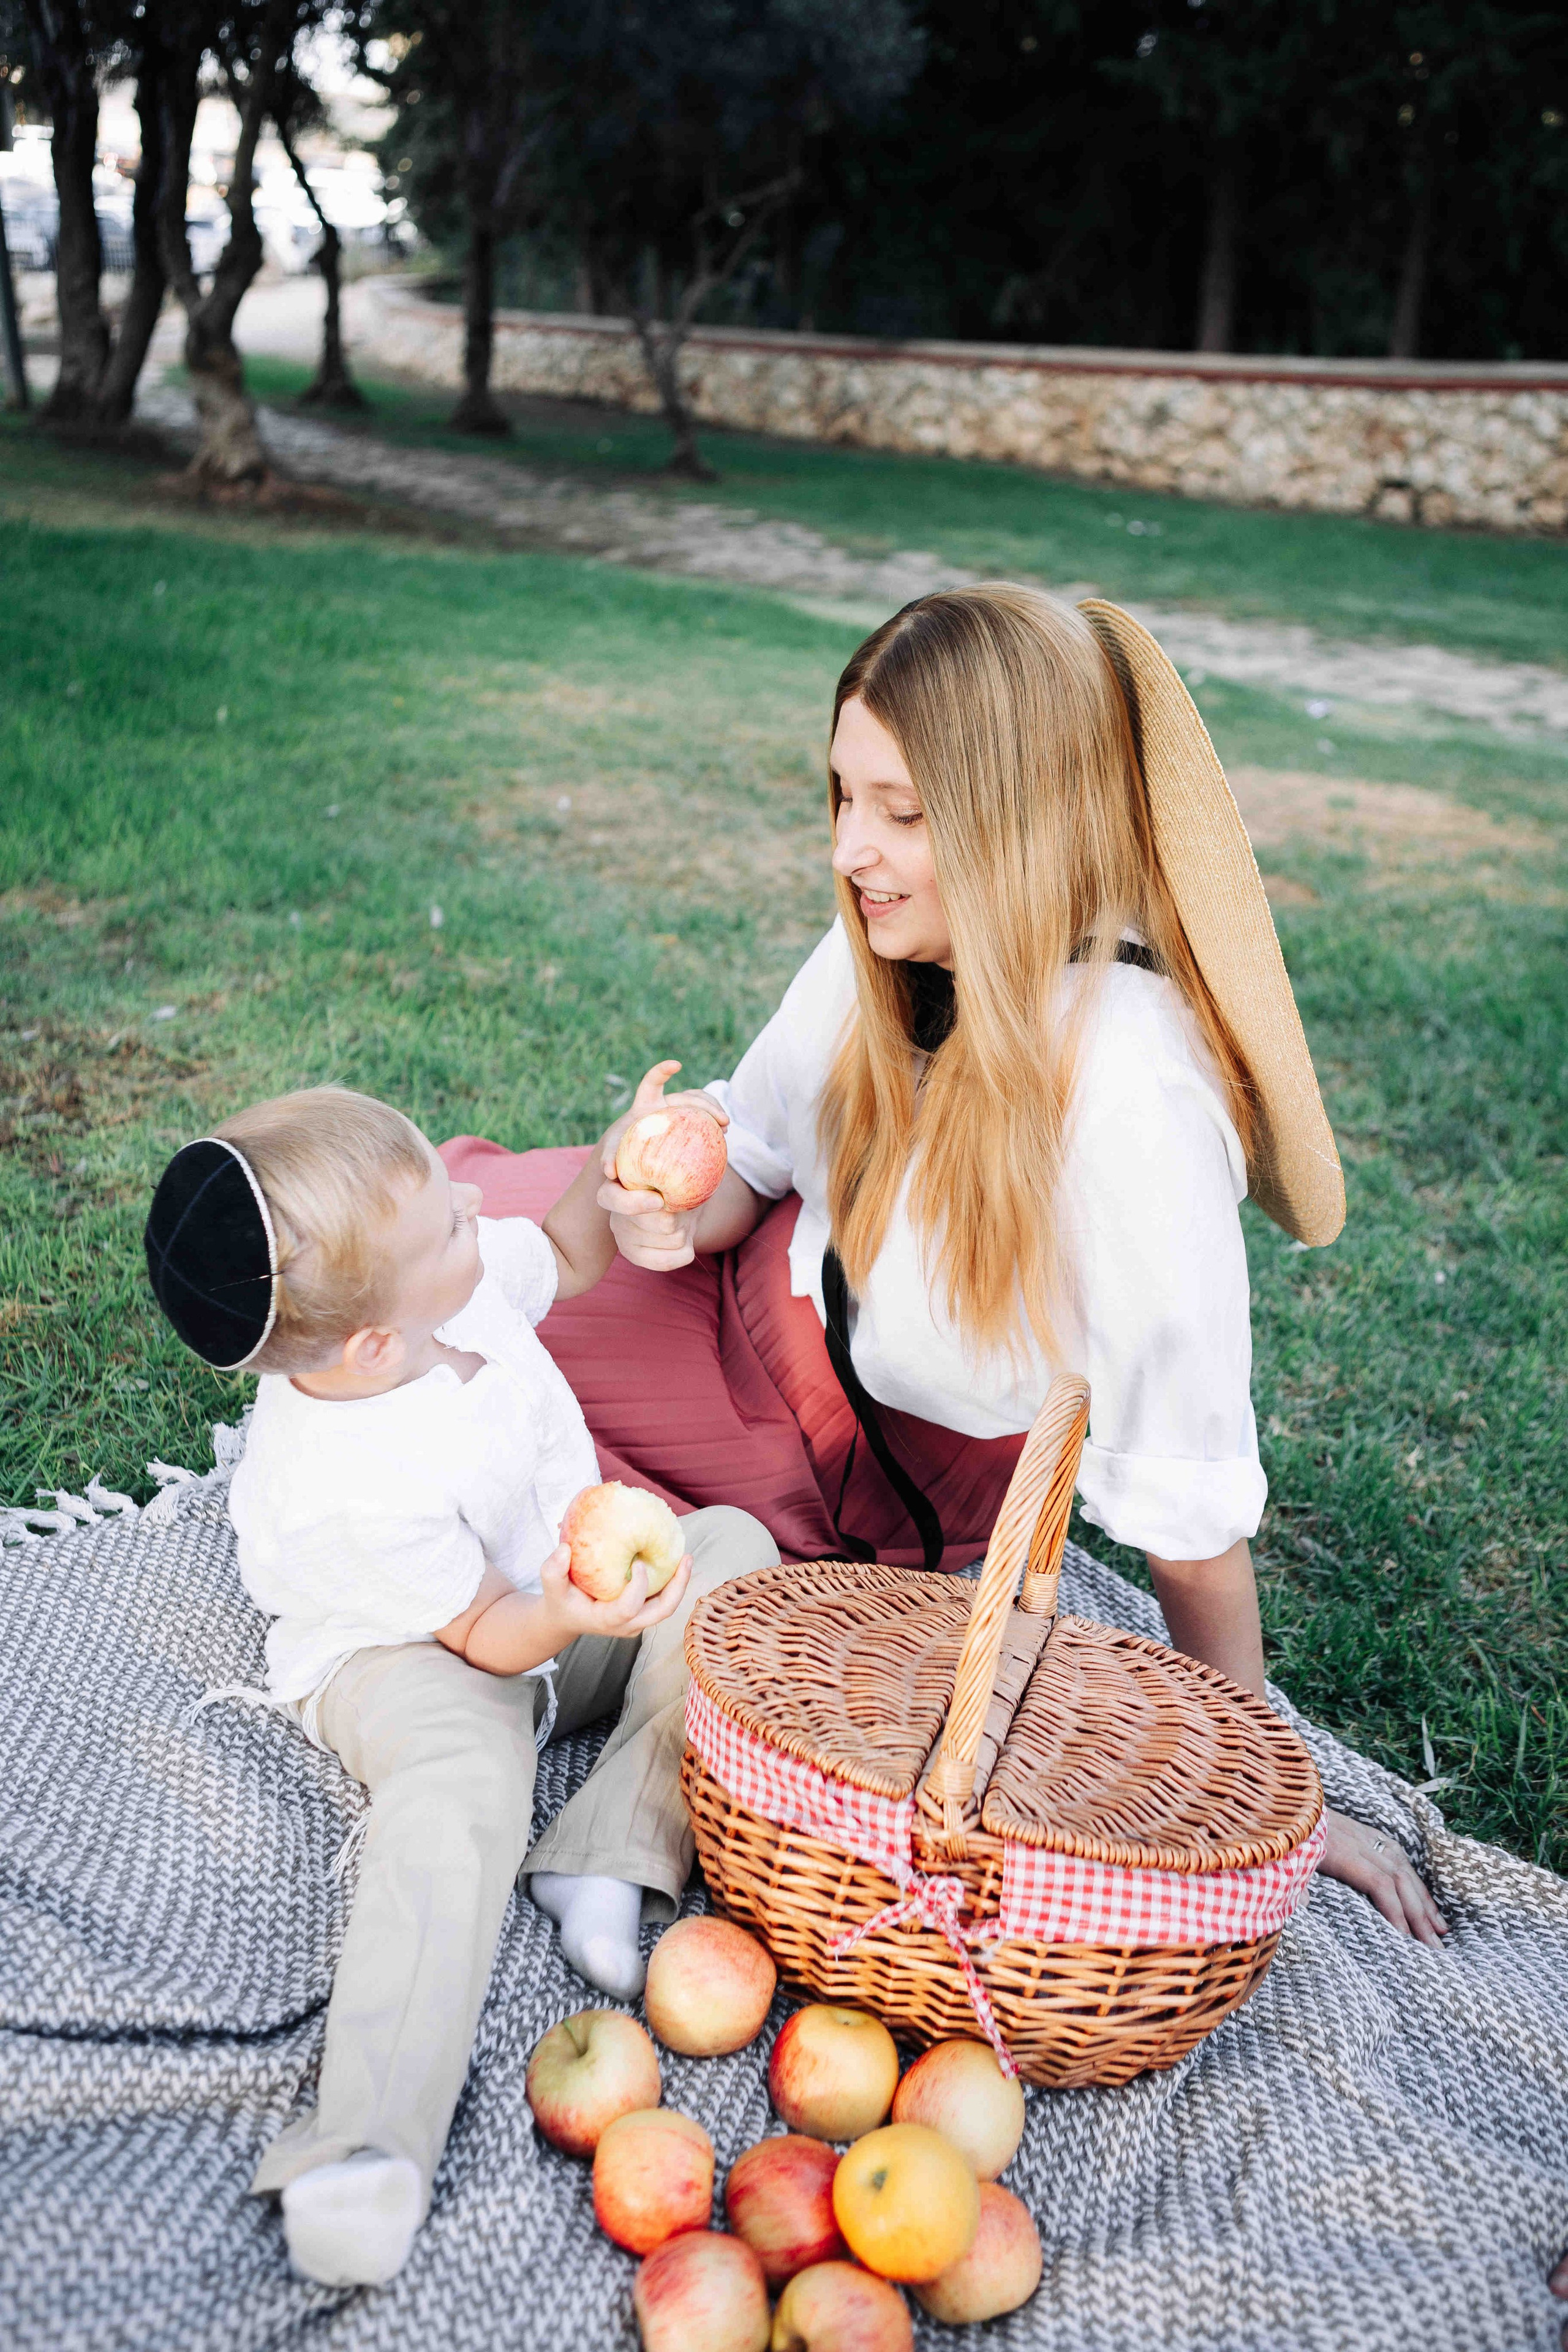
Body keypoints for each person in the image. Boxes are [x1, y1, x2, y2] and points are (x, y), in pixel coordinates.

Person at [443, 585, 1447, 1950]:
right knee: (446, 1280)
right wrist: (676, 1218)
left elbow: (1188, 1501)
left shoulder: (1133, 1102)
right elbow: (761, 1149)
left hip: (847, 1481)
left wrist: (1271, 1781)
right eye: (841, 798)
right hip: (735, 1308)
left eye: (903, 813)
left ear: (1021, 811)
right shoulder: (900, 940)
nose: (854, 850)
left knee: (471, 1414)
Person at [141, 1082, 774, 2289]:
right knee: (461, 1782)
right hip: (405, 1653)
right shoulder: (338, 1483)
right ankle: (367, 2142)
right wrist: (572, 1616)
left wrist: (614, 1157)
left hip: (541, 1595)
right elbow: (487, 1633)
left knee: (733, 1551)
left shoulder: (458, 1284)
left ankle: (607, 1850)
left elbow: (576, 1250)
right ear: (374, 1343)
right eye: (443, 1221)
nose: (477, 1205)